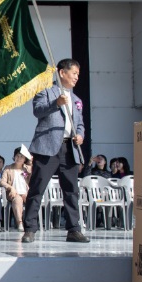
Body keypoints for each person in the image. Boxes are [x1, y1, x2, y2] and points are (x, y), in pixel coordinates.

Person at [22, 58, 90, 244]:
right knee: (37, 188)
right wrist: (56, 103)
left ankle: (74, 229)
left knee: (71, 191)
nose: (77, 77)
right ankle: (30, 229)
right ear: (62, 73)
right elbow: (38, 111)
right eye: (74, 73)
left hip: (70, 148)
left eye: (78, 74)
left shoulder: (76, 99)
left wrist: (81, 136)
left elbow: (80, 124)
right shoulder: (46, 91)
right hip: (48, 147)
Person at [0, 147, 32, 232]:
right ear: (14, 157)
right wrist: (10, 188)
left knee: (31, 199)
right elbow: (2, 182)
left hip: (25, 192)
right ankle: (19, 222)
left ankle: (30, 222)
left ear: (25, 158)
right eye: (17, 156)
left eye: (21, 156)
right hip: (13, 194)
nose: (19, 158)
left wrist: (30, 163)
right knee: (17, 199)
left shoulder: (27, 169)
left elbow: (34, 178)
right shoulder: (8, 168)